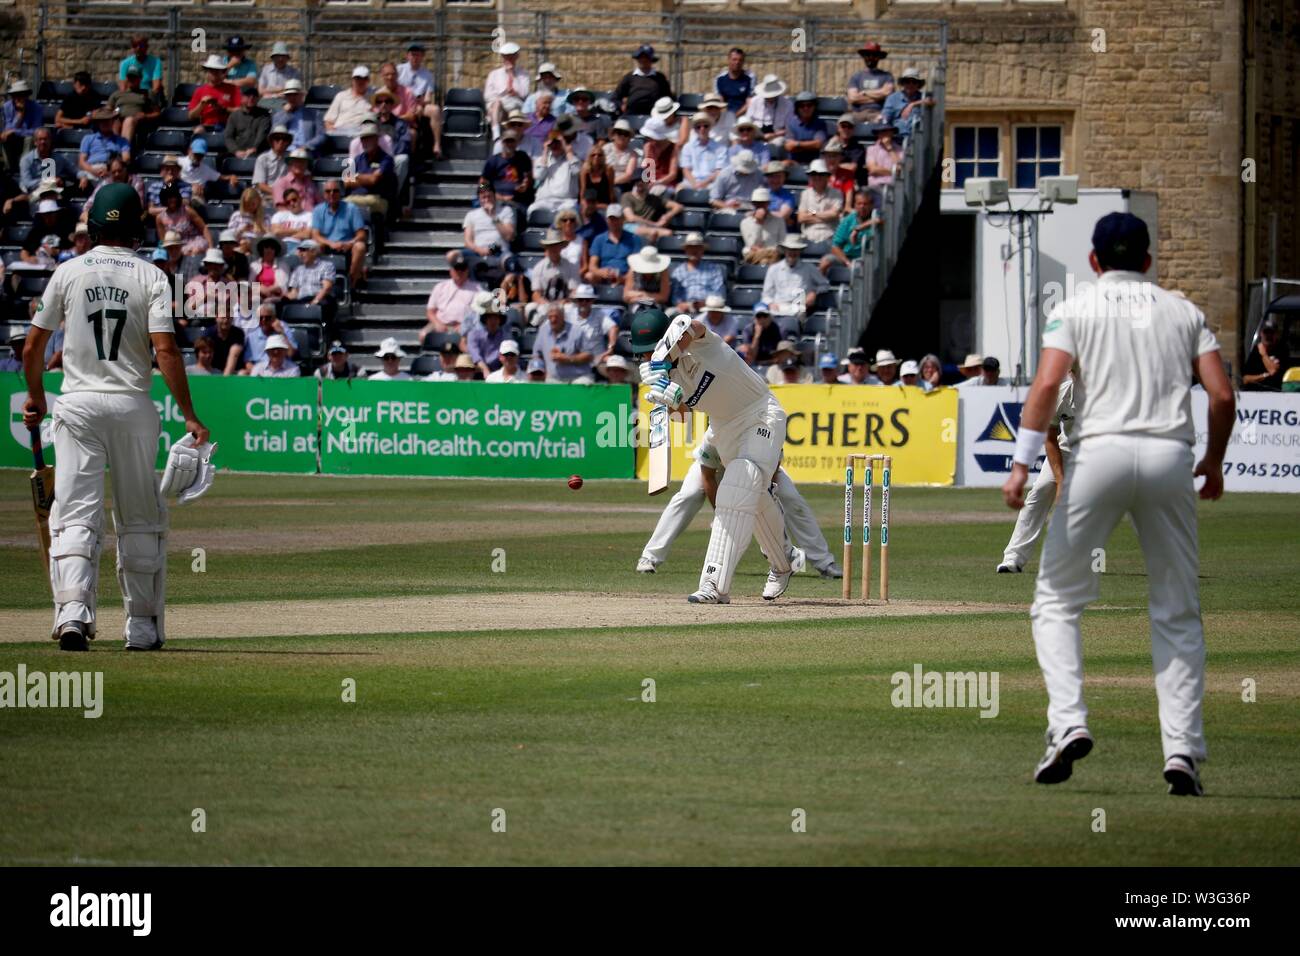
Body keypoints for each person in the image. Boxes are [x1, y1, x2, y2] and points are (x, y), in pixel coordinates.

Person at [1002, 212, 1236, 797]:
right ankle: (1180, 749)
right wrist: (1214, 461)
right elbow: (1222, 394)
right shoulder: (1182, 310)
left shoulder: (1076, 307)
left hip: (1098, 455)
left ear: (1094, 261)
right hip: (1167, 457)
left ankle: (1069, 725)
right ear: (1149, 262)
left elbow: (1047, 387)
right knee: (1177, 609)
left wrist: (1022, 462)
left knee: (1057, 601)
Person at [20, 182, 210, 652]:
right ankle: (142, 627)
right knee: (141, 518)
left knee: (74, 516)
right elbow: (165, 349)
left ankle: (72, 614)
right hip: (132, 408)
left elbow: (31, 346)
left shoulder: (67, 271)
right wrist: (189, 414)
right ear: (135, 226)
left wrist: (36, 397)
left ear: (93, 225)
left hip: (78, 406)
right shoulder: (152, 276)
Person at [630, 309, 794, 603]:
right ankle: (784, 562)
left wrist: (660, 356)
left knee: (738, 486)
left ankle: (714, 584)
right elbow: (681, 419)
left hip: (760, 413)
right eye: (640, 355)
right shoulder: (663, 376)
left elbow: (693, 326)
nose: (643, 360)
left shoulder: (699, 343)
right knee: (751, 497)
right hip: (723, 429)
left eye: (647, 353)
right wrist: (667, 397)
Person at [637, 438, 841, 579]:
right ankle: (651, 556)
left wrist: (764, 518)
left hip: (758, 473)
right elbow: (707, 477)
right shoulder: (715, 436)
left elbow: (770, 479)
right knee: (688, 495)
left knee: (791, 499)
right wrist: (722, 514)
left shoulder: (769, 436)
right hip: (716, 467)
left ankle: (823, 562)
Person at [998, 376, 1075, 574]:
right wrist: (1061, 481)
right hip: (1065, 450)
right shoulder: (1061, 391)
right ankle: (1013, 559)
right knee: (1040, 491)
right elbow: (1050, 436)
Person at [311, 180, 368, 286]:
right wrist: (330, 243)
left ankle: (352, 281)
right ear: (323, 194)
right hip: (327, 245)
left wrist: (350, 243)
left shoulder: (351, 209)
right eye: (328, 191)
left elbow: (361, 234)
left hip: (347, 245)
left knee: (360, 246)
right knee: (312, 246)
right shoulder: (318, 210)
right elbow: (315, 235)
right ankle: (314, 282)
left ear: (340, 192)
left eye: (335, 191)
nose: (332, 194)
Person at [533, 302, 602, 383]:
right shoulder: (543, 331)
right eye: (550, 317)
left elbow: (589, 355)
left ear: (563, 317)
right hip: (554, 378)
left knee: (583, 383)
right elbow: (536, 355)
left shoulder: (577, 331)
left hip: (578, 377)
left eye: (556, 317)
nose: (553, 320)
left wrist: (568, 359)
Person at [420, 251, 483, 339]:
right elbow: (430, 312)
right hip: (441, 323)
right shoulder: (440, 286)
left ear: (467, 271)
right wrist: (437, 323)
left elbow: (479, 313)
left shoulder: (477, 289)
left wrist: (465, 325)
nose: (459, 272)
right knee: (423, 335)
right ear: (451, 271)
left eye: (462, 269)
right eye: (457, 269)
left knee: (472, 336)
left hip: (464, 326)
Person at [670, 233, 726, 314]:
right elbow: (675, 297)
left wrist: (705, 303)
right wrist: (683, 304)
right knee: (669, 313)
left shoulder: (714, 269)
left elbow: (720, 294)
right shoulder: (678, 271)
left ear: (702, 249)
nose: (694, 250)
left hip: (708, 308)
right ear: (686, 250)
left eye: (697, 247)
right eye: (691, 247)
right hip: (685, 309)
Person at [106, 65, 161, 149]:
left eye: (134, 77)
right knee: (114, 121)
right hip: (119, 119)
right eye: (129, 77)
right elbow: (107, 110)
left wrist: (146, 116)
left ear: (140, 79)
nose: (131, 80)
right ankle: (113, 149)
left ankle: (124, 150)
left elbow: (157, 113)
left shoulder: (147, 93)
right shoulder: (117, 94)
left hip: (138, 122)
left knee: (129, 120)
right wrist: (112, 114)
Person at [484, 41, 529, 137]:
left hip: (516, 104)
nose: (509, 59)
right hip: (498, 104)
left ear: (516, 57)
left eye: (512, 56)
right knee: (497, 104)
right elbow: (487, 95)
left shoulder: (523, 74)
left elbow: (525, 93)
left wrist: (511, 75)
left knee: (510, 108)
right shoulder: (494, 74)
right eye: (506, 56)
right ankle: (496, 134)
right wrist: (502, 93)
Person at [78, 108, 131, 188]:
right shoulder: (88, 138)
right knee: (81, 176)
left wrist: (110, 170)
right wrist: (93, 171)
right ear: (98, 123)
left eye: (107, 120)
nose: (104, 123)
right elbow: (82, 161)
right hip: (91, 169)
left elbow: (126, 159)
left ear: (112, 121)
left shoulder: (122, 141)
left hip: (112, 170)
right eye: (101, 121)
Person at [614, 45, 672, 116]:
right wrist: (621, 105)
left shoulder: (660, 77)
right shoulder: (629, 77)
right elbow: (616, 96)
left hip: (654, 114)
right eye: (641, 57)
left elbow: (668, 96)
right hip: (631, 113)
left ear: (651, 60)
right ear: (637, 59)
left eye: (646, 58)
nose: (643, 60)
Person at [188, 55, 240, 133]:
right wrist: (202, 104)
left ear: (222, 72)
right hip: (206, 126)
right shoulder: (200, 91)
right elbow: (191, 116)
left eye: (217, 71)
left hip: (227, 126)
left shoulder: (233, 89)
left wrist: (223, 109)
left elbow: (242, 110)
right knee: (198, 131)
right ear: (208, 72)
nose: (214, 73)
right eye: (211, 70)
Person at [620, 175, 680, 243]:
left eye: (643, 181)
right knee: (653, 232)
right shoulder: (627, 196)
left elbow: (678, 206)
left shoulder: (653, 199)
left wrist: (667, 216)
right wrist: (655, 224)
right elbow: (631, 218)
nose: (640, 183)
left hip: (647, 227)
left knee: (668, 233)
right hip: (629, 226)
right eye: (637, 181)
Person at [847, 41, 894, 122]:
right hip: (857, 113)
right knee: (844, 123)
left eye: (874, 55)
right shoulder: (856, 76)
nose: (870, 57)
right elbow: (853, 98)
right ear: (864, 57)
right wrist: (878, 98)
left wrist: (864, 93)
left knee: (882, 123)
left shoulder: (887, 76)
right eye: (867, 55)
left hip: (878, 113)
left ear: (879, 57)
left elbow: (886, 93)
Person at [273, 79, 325, 153]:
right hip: (285, 152)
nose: (292, 98)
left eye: (295, 94)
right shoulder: (278, 115)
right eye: (289, 95)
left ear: (302, 95)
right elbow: (274, 134)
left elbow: (321, 136)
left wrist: (307, 146)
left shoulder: (315, 114)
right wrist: (286, 114)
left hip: (306, 151)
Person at [2, 80, 44, 171]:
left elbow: (36, 131)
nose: (17, 98)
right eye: (15, 95)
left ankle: (24, 167)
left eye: (21, 95)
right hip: (13, 139)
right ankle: (10, 169)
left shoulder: (37, 108)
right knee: (4, 138)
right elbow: (8, 128)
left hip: (28, 140)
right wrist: (19, 116)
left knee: (29, 139)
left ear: (26, 96)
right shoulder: (7, 106)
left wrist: (16, 131)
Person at [830, 189, 878, 267]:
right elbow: (835, 246)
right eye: (859, 204)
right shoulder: (848, 220)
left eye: (865, 204)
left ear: (871, 205)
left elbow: (881, 220)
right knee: (826, 261)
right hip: (848, 258)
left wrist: (858, 228)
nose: (862, 206)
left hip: (870, 259)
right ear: (855, 205)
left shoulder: (876, 216)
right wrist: (848, 263)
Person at [882, 68, 934, 140]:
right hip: (897, 138)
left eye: (914, 82)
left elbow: (932, 101)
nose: (911, 84)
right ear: (903, 83)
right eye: (907, 82)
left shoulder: (922, 97)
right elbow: (885, 119)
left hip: (917, 139)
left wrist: (912, 104)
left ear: (918, 84)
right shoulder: (893, 98)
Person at [740, 187, 787, 265]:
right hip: (753, 256)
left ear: (768, 203)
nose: (760, 206)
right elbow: (751, 244)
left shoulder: (779, 221)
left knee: (767, 259)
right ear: (753, 204)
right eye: (757, 203)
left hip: (772, 256)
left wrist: (764, 250)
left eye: (763, 203)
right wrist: (758, 223)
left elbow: (782, 245)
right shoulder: (745, 222)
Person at [324, 66, 374, 137]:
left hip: (360, 134)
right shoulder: (341, 96)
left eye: (364, 79)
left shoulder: (373, 98)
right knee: (322, 136)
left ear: (368, 81)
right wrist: (332, 130)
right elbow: (328, 121)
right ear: (352, 80)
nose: (360, 81)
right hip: (339, 131)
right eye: (357, 78)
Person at [1242, 317, 1289, 390]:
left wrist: (1263, 354)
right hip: (1255, 393)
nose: (1268, 336)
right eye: (1266, 332)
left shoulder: (1281, 350)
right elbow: (1246, 379)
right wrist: (1264, 376)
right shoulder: (1256, 351)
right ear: (1261, 334)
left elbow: (1272, 371)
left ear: (1276, 334)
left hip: (1274, 393)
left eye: (1271, 333)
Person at [225, 86, 271, 159]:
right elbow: (228, 137)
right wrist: (236, 151)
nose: (251, 98)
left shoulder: (264, 115)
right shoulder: (234, 116)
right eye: (248, 95)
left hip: (259, 153)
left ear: (258, 98)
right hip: (238, 152)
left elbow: (262, 134)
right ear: (242, 97)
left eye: (254, 96)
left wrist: (254, 148)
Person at [783, 91, 828, 165]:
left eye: (809, 105)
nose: (806, 108)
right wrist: (810, 145)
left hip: (815, 163)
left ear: (814, 107)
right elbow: (789, 147)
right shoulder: (791, 124)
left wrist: (797, 144)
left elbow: (818, 144)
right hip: (795, 163)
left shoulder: (820, 124)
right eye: (802, 106)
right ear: (797, 108)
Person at [624, 246, 672, 310]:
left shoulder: (663, 272)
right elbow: (626, 295)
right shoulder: (632, 271)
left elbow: (663, 297)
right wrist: (643, 294)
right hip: (636, 306)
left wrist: (638, 297)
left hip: (656, 306)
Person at [269, 187, 313, 251]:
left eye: (294, 200)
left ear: (300, 199)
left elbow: (307, 234)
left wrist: (285, 234)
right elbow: (276, 232)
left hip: (300, 247)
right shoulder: (279, 215)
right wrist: (298, 230)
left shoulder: (310, 215)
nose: (292, 203)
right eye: (288, 202)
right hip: (281, 246)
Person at [714, 48, 756, 115]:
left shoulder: (750, 78)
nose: (737, 62)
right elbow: (720, 101)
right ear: (728, 60)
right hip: (725, 115)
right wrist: (727, 117)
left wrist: (735, 116)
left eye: (740, 60)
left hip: (744, 115)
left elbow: (750, 102)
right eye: (734, 59)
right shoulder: (720, 79)